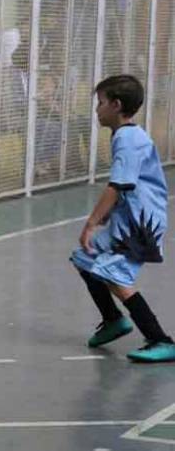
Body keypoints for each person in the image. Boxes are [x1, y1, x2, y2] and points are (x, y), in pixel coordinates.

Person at [70, 75, 174, 363]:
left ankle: (160, 339)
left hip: (140, 224)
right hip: (128, 218)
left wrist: (92, 221)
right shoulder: (126, 136)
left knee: (112, 275)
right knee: (85, 259)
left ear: (116, 105)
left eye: (100, 103)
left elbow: (118, 185)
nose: (96, 109)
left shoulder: (128, 139)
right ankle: (113, 319)